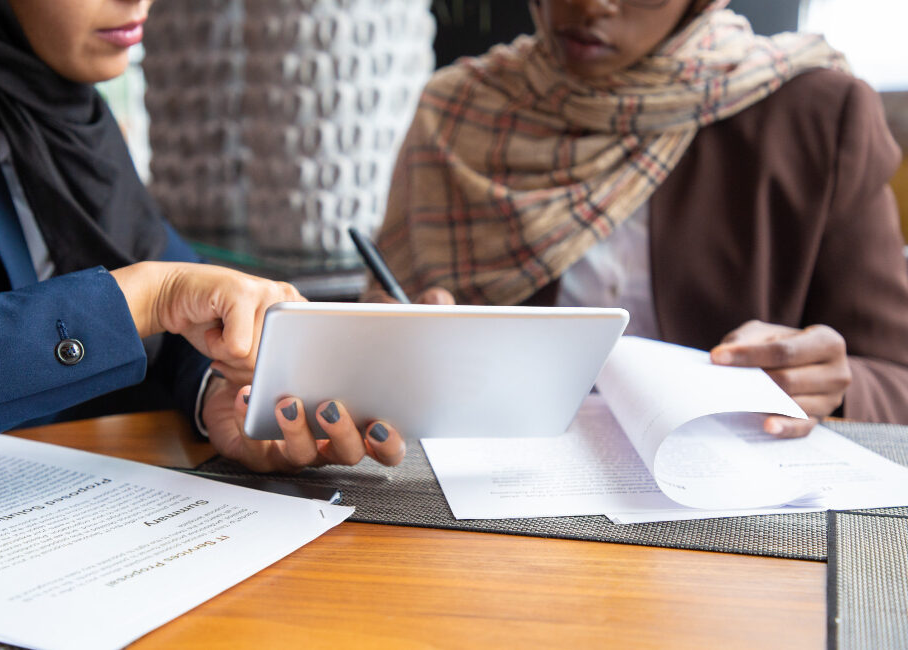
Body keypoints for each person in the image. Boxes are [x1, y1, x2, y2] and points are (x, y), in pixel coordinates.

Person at [368, 0, 908, 436]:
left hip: (724, 517)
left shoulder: (815, 117)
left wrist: (836, 386)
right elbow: (376, 341)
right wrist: (396, 343)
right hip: (477, 501)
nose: (591, 6)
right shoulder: (458, 112)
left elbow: (895, 378)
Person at [0, 0, 406, 470]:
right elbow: (157, 295)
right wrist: (143, 301)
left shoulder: (65, 115)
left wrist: (221, 395)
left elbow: (181, 318)